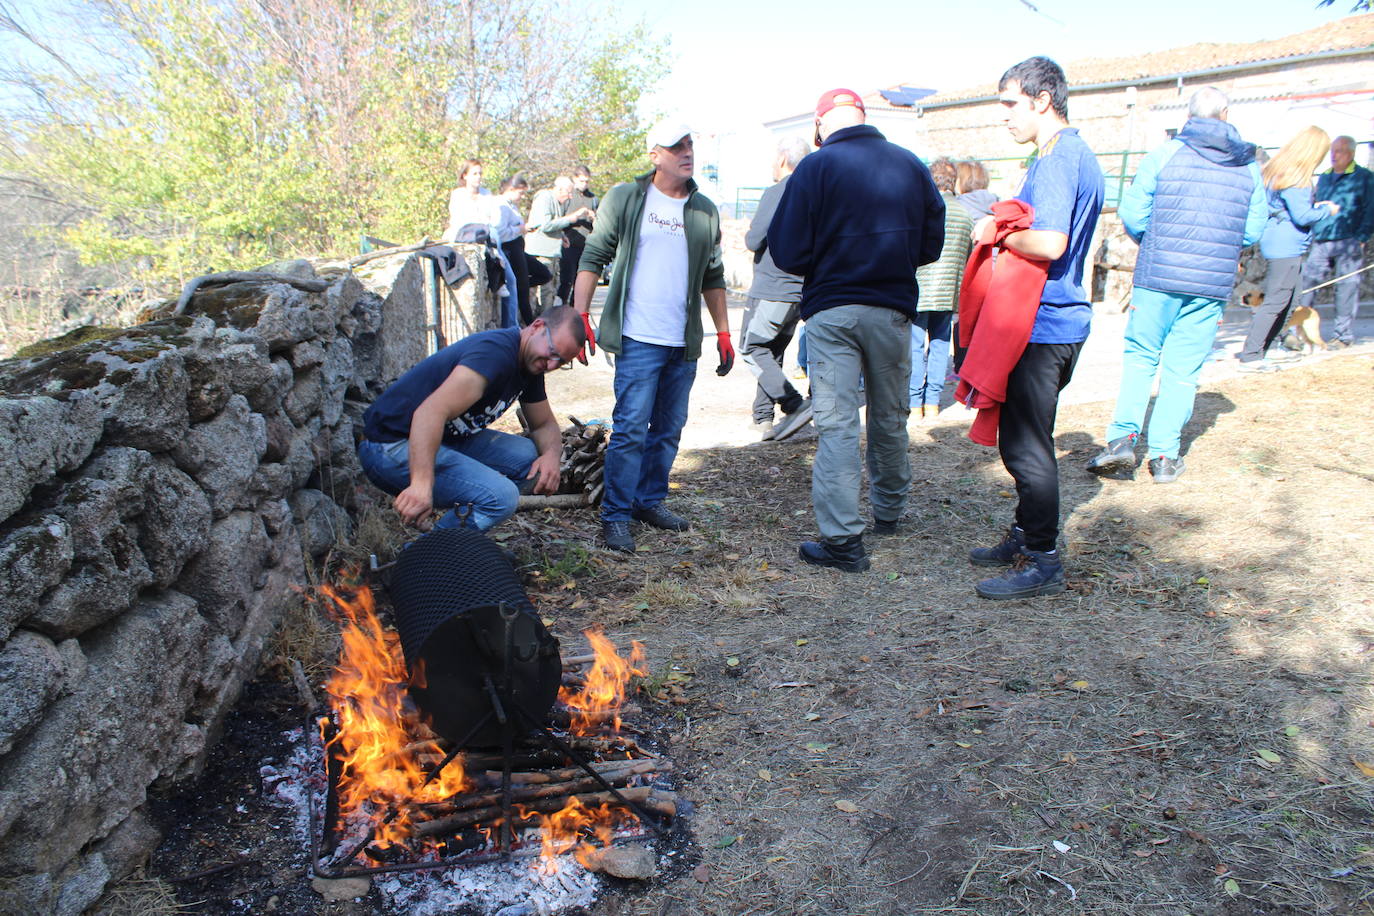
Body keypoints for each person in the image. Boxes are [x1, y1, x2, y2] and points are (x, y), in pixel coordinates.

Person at [768, 88, 945, 573]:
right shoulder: (909, 164)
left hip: (833, 310)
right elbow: (933, 241)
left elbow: (785, 250)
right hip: (891, 309)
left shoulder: (815, 169)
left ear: (822, 125)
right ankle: (890, 511)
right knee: (890, 414)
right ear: (864, 118)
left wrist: (826, 258)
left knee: (839, 424)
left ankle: (844, 541)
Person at [966, 56, 1103, 599]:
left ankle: (1043, 559)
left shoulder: (1059, 158)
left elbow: (1050, 243)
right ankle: (1027, 534)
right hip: (1055, 321)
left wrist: (995, 234)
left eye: (1010, 104)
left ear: (1043, 100)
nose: (1005, 117)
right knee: (1026, 439)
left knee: (1027, 447)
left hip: (1046, 325)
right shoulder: (1069, 155)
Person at [1086, 87, 1267, 484]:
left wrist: (1159, 242)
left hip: (1159, 276)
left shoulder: (1164, 154)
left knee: (1141, 356)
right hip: (1211, 281)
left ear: (1189, 114)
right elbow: (1253, 229)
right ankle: (1165, 457)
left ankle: (1122, 441)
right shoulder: (1249, 167)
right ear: (1225, 113)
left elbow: (1134, 213)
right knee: (1184, 369)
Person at [572, 120, 735, 554]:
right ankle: (616, 516)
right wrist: (579, 315)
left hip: (682, 340)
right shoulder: (627, 197)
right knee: (630, 430)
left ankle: (649, 501)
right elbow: (593, 255)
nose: (686, 151)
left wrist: (723, 331)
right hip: (637, 337)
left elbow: (713, 276)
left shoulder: (704, 209)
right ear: (654, 155)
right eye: (675, 146)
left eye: (689, 143)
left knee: (668, 428)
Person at [357, 306, 586, 532]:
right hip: (389, 446)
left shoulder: (531, 363)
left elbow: (544, 424)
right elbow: (429, 413)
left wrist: (552, 456)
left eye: (562, 363)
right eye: (553, 353)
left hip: (443, 437)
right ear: (537, 327)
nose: (552, 365)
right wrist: (421, 486)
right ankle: (428, 558)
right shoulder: (495, 355)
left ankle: (460, 531)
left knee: (530, 459)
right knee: (501, 497)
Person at [1236, 128, 1340, 372]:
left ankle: (1262, 351)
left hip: (1280, 241)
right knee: (1276, 301)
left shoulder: (1278, 171)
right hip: (1287, 245)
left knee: (1290, 300)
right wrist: (1327, 210)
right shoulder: (1296, 177)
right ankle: (1252, 356)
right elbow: (1303, 215)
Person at [741, 136, 813, 441]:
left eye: (774, 158)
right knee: (773, 352)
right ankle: (763, 419)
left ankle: (795, 405)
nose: (772, 163)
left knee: (752, 348)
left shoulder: (778, 191)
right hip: (799, 291)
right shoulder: (815, 194)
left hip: (772, 286)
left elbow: (754, 240)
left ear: (783, 159)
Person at [911, 157, 973, 421]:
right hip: (949, 293)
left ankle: (914, 403)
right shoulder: (964, 214)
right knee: (940, 345)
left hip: (920, 289)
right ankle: (933, 402)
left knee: (913, 347)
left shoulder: (924, 209)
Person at [1297, 136, 1373, 347]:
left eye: (1339, 151)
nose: (1333, 155)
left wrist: (1362, 237)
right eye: (1332, 151)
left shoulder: (1364, 177)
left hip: (1349, 241)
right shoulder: (1325, 177)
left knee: (1346, 287)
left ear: (1350, 154)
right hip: (1322, 240)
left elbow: (1370, 209)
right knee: (1307, 283)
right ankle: (1298, 331)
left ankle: (1342, 336)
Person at [527, 177, 592, 316]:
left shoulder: (557, 202)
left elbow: (554, 222)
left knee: (550, 291)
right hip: (541, 252)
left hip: (552, 252)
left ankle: (547, 321)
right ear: (559, 189)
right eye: (568, 193)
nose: (570, 196)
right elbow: (545, 225)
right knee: (542, 291)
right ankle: (542, 323)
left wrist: (562, 236)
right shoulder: (544, 199)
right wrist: (569, 219)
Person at [559, 165, 599, 305]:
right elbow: (560, 219)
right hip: (568, 243)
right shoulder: (568, 196)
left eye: (587, 181)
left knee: (580, 282)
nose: (584, 184)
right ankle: (560, 312)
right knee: (566, 280)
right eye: (582, 181)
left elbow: (600, 222)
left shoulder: (593, 198)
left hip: (586, 245)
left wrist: (594, 217)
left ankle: (575, 312)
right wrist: (577, 214)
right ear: (575, 179)